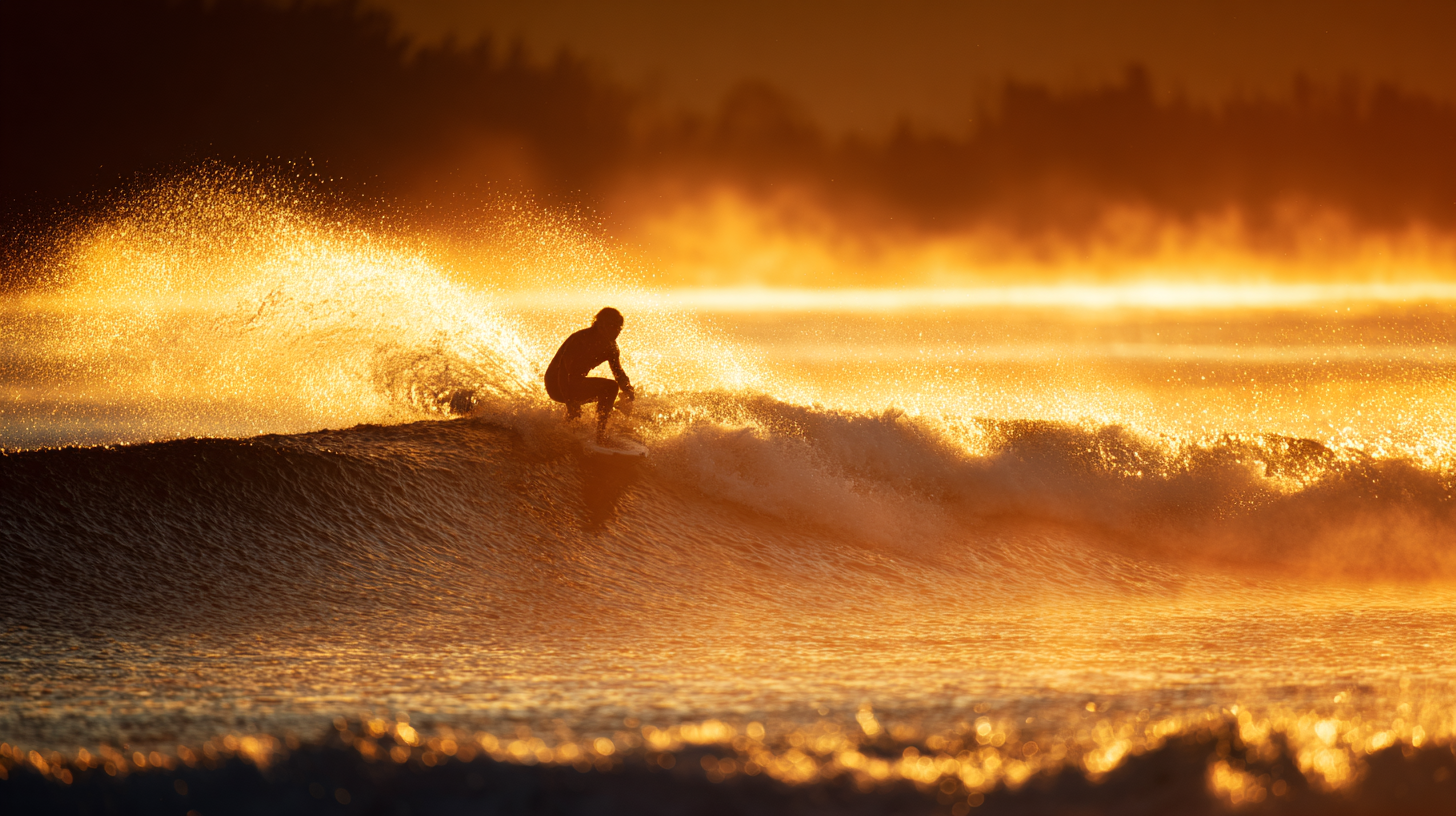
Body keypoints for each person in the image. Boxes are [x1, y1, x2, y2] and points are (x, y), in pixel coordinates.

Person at [544, 307, 636, 443]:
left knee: (611, 395)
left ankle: (573, 429)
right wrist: (570, 403)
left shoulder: (611, 347)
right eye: (613, 326)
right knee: (610, 387)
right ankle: (600, 435)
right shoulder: (580, 339)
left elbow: (618, 372)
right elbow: (563, 372)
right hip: (556, 384)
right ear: (601, 325)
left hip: (574, 383)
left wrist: (628, 390)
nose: (616, 331)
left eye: (619, 327)